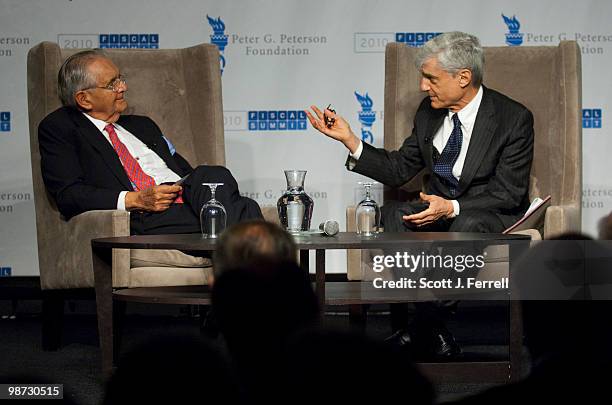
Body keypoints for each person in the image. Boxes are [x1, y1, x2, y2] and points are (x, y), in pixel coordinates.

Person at [306, 32, 534, 358]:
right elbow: (400, 168)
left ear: (464, 77)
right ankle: (434, 328)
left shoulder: (513, 119)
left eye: (431, 78)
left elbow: (508, 192)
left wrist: (451, 206)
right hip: (436, 208)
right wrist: (350, 140)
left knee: (467, 222)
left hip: (487, 212)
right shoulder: (429, 112)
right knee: (393, 215)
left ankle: (419, 327)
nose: (423, 87)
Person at [38, 49, 262, 235]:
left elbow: (187, 173)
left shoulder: (143, 126)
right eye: (112, 84)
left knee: (212, 175)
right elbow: (69, 195)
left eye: (120, 79)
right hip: (146, 214)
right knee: (246, 211)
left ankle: (232, 272)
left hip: (187, 201)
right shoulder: (61, 127)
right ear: (84, 99)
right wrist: (137, 199)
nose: (123, 87)